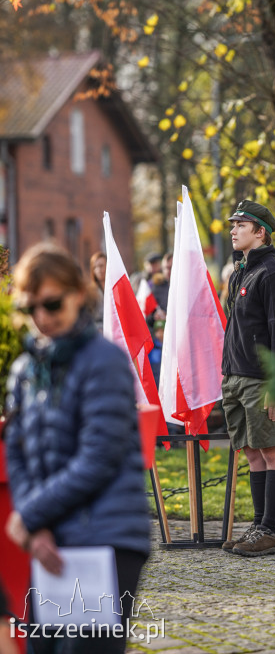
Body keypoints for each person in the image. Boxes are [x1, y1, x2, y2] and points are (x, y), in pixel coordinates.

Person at [4, 242, 150, 653]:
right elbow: (17, 452)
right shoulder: (24, 370)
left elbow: (99, 455)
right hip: (51, 534)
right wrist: (36, 527)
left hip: (105, 535)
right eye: (29, 308)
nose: (41, 318)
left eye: (52, 304)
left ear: (79, 296)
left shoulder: (104, 361)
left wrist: (31, 514)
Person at [221, 200, 275, 557]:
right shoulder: (240, 272)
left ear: (260, 232)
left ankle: (272, 531)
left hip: (261, 379)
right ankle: (259, 525)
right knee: (252, 453)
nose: (232, 230)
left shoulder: (274, 274)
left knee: (272, 449)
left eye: (240, 225)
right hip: (235, 376)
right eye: (232, 225)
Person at [88, 250, 106, 331]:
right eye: (95, 267)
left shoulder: (116, 288)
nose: (98, 269)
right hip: (99, 333)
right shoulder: (91, 292)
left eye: (101, 265)